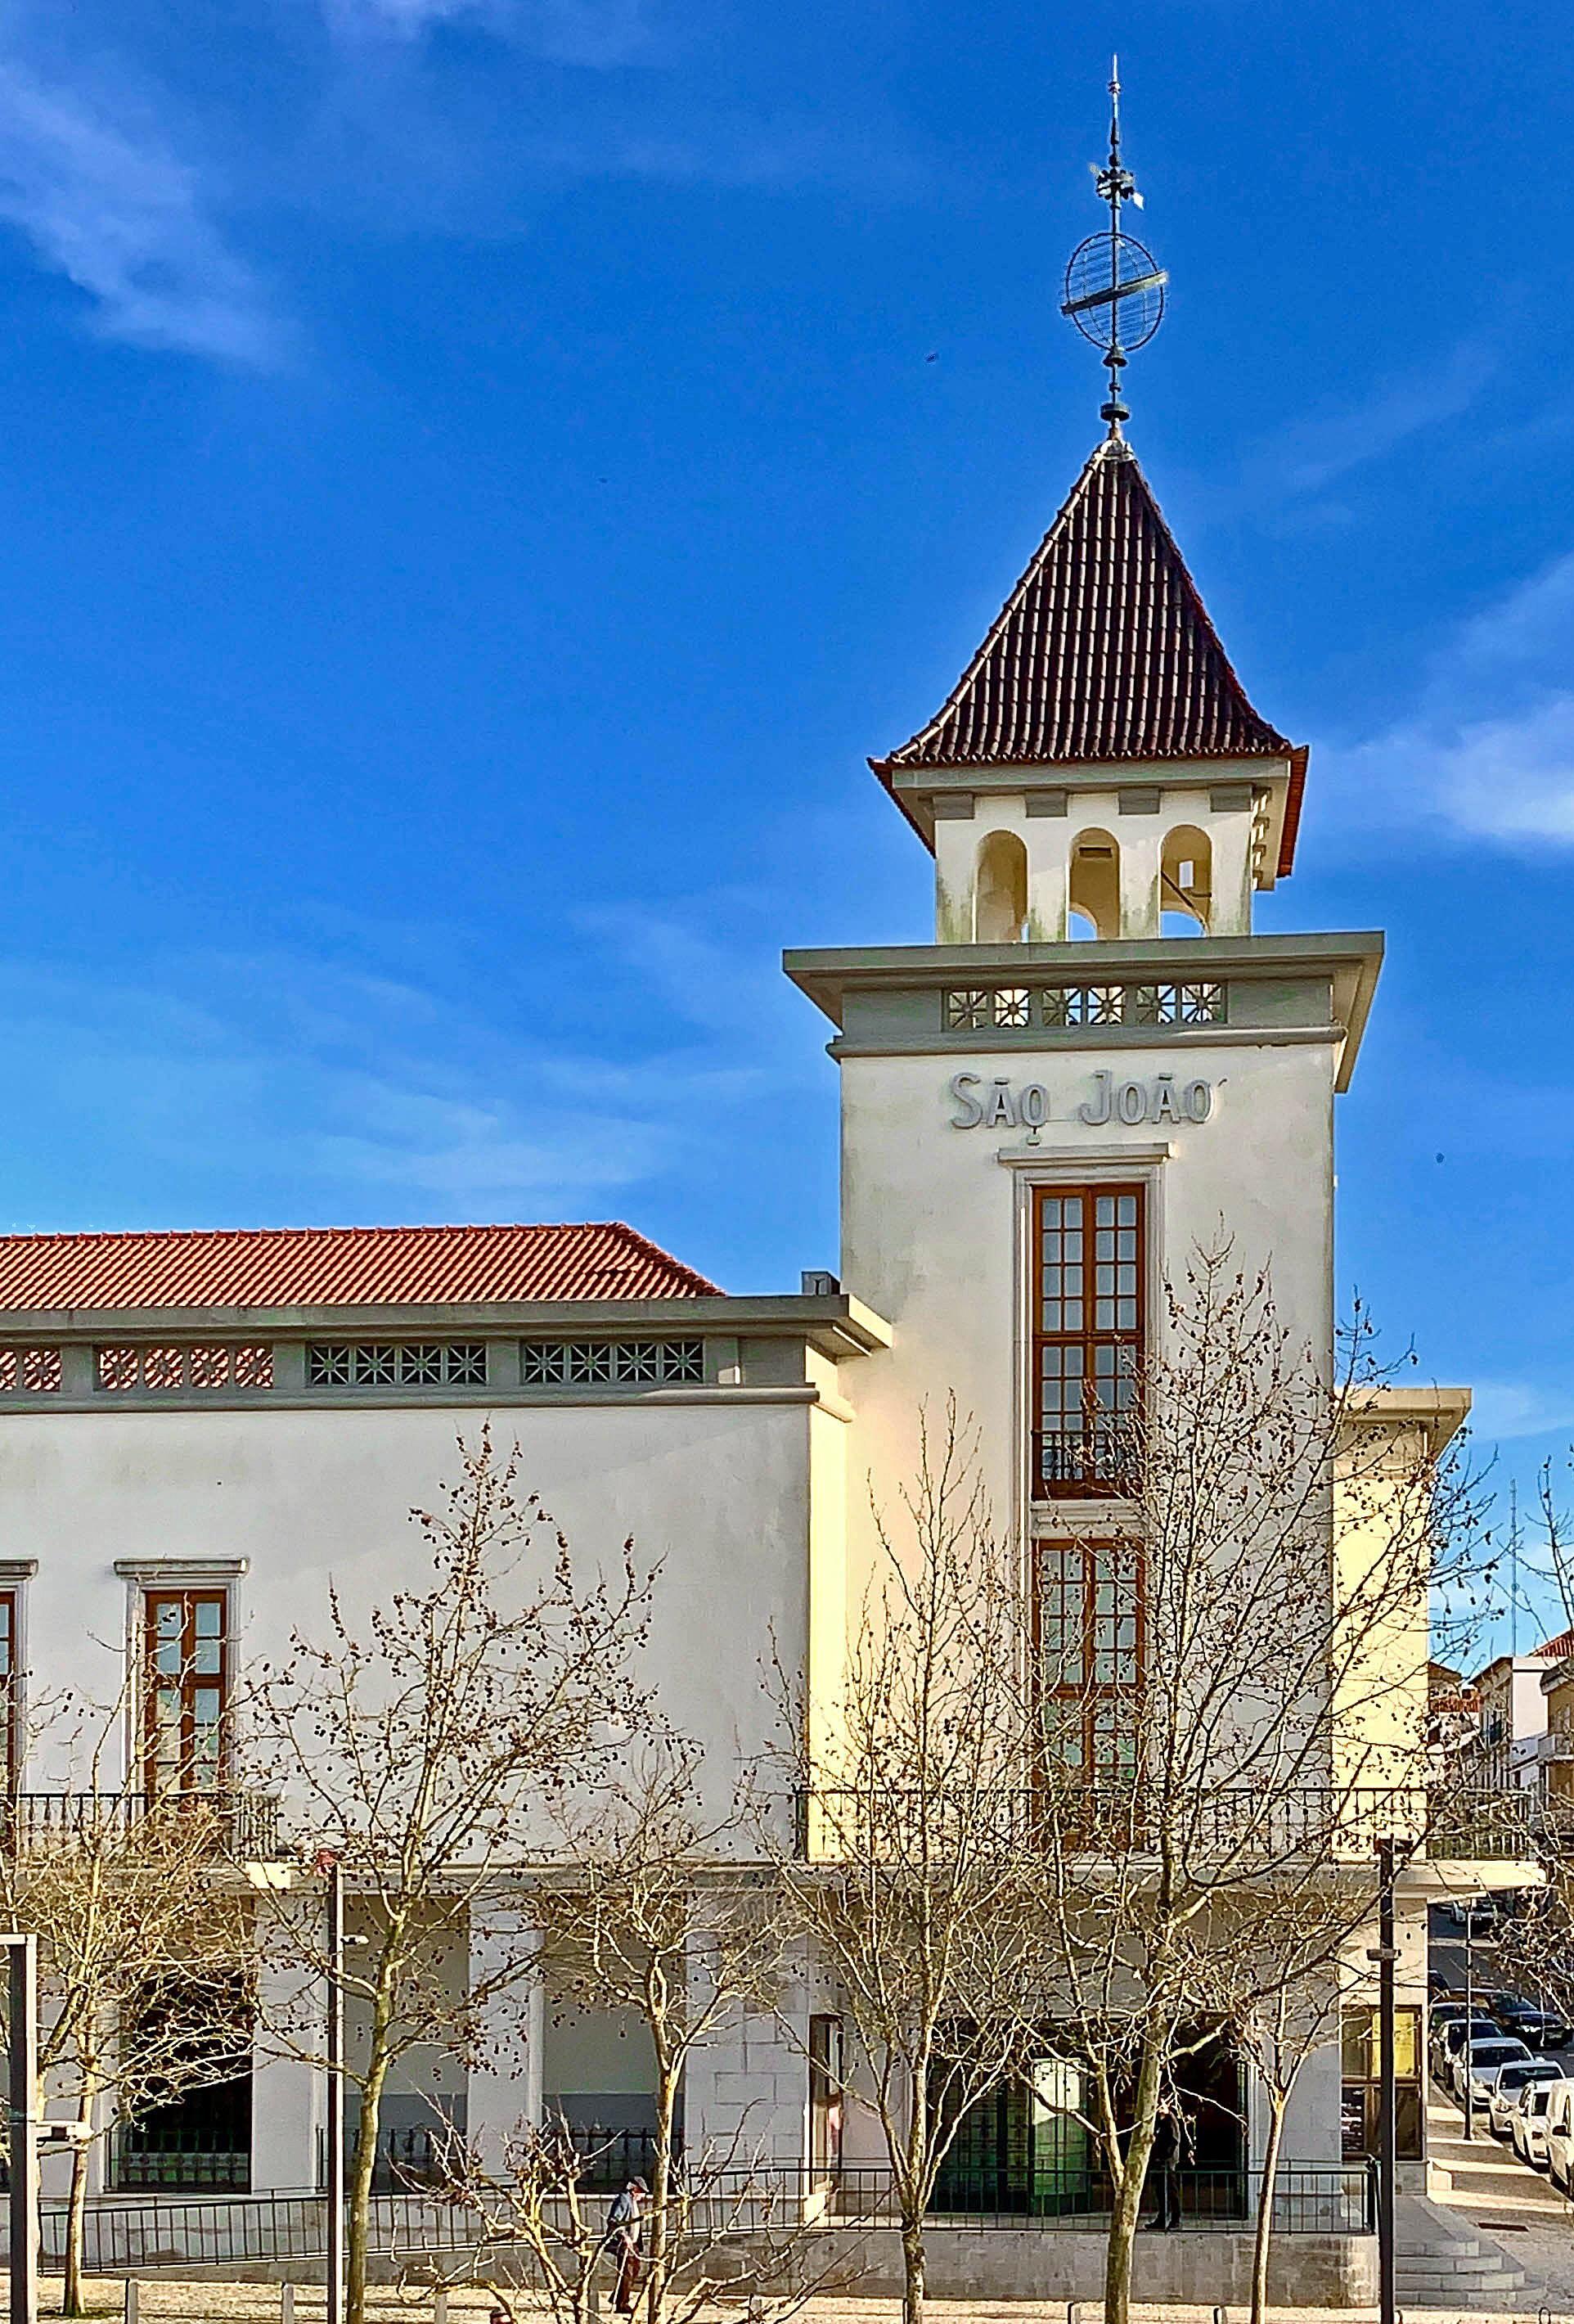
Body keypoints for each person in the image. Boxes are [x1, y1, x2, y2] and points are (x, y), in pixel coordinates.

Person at [606, 2174, 648, 2314]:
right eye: (642, 2192)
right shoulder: (623, 2200)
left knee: (635, 2270)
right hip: (624, 2244)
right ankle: (622, 2304)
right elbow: (614, 2220)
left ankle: (618, 2297)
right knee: (627, 2273)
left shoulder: (632, 2201)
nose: (643, 2196)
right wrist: (624, 2236)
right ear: (635, 2189)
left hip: (633, 2243)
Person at [1147, 2110, 1182, 2232]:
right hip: (1159, 2161)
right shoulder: (1159, 2121)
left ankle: (1175, 2219)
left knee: (1171, 2191)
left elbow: (1174, 2140)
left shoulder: (1170, 2121)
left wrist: (1165, 2157)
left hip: (1167, 2162)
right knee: (1161, 2191)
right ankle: (1162, 2219)